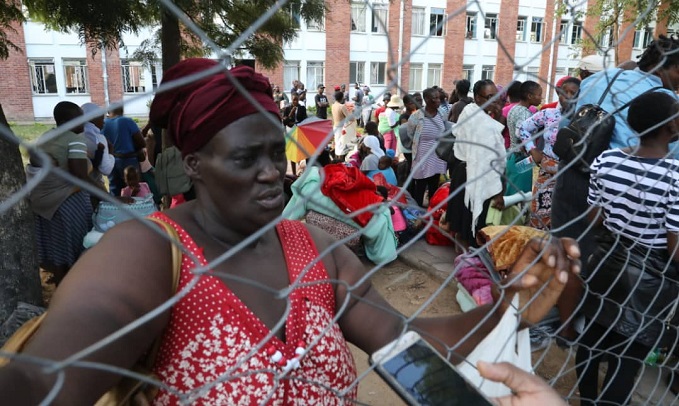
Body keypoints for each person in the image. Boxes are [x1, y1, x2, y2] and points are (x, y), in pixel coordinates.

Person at [0, 59, 582, 405]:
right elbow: (50, 374)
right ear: (195, 162)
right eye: (243, 159)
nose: (272, 173)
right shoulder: (152, 251)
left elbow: (399, 338)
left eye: (274, 153)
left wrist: (505, 308)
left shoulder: (316, 251)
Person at [575, 91, 679, 406]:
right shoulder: (675, 176)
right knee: (627, 357)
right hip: (648, 278)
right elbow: (674, 247)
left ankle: (587, 400)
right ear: (670, 127)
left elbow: (595, 217)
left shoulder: (607, 160)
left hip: (606, 263)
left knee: (591, 341)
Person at [552, 35, 679, 268]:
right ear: (665, 68)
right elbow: (672, 152)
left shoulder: (597, 78)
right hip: (616, 191)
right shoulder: (665, 101)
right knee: (602, 265)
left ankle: (560, 297)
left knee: (566, 253)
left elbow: (564, 124)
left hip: (569, 172)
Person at [25, 101, 93, 285]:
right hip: (67, 203)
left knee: (58, 251)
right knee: (76, 249)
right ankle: (74, 291)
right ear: (65, 121)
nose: (84, 122)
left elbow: (35, 159)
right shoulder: (75, 140)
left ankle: (60, 289)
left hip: (43, 205)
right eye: (79, 118)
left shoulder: (46, 136)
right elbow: (79, 175)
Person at [444, 80, 506, 251]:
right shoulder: (477, 118)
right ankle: (467, 260)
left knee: (465, 220)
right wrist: (498, 190)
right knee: (469, 221)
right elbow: (491, 153)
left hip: (466, 173)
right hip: (473, 175)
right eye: (489, 97)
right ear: (478, 98)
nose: (495, 101)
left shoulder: (472, 112)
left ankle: (464, 255)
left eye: (497, 97)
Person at [518, 77, 581, 231]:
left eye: (572, 93)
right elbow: (522, 128)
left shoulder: (583, 120)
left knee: (563, 221)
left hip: (571, 177)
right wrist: (532, 149)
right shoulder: (549, 114)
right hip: (546, 175)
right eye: (563, 92)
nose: (566, 96)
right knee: (538, 216)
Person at [407, 87, 450, 207]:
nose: (438, 101)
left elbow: (445, 128)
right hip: (421, 155)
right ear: (426, 99)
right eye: (435, 98)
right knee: (420, 185)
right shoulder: (416, 116)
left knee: (433, 185)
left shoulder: (442, 113)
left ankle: (431, 211)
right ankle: (417, 212)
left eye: (438, 98)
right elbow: (411, 133)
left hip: (437, 155)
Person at [505, 81, 542, 196]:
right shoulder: (525, 114)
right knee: (520, 196)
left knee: (511, 192)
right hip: (521, 158)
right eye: (539, 94)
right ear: (529, 96)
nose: (541, 98)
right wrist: (532, 150)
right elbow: (520, 132)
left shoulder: (514, 109)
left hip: (511, 155)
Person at [102, 105, 145, 196]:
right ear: (122, 111)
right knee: (135, 190)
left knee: (115, 192)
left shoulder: (103, 123)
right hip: (129, 160)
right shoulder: (127, 121)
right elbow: (142, 143)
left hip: (111, 161)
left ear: (109, 113)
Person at [80, 102, 114, 191]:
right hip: (95, 187)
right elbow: (106, 169)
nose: (103, 122)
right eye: (101, 119)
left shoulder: (76, 135)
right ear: (93, 118)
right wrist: (111, 153)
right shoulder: (98, 138)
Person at [331, 90, 357, 161]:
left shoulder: (333, 105)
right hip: (341, 127)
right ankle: (341, 160)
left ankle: (336, 159)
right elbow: (350, 118)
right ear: (341, 98)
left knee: (337, 143)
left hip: (335, 126)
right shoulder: (341, 106)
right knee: (342, 145)